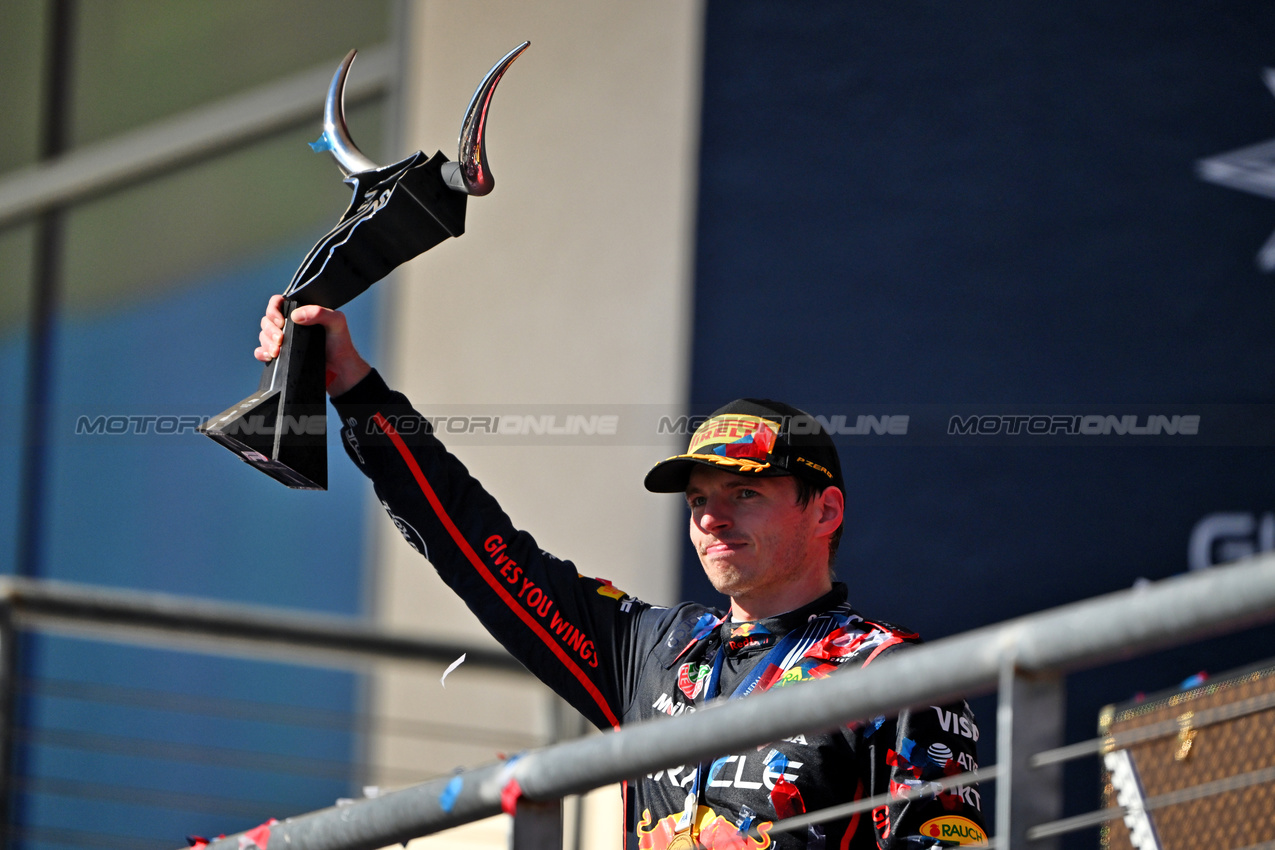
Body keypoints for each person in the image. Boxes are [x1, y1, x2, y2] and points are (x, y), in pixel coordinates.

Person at [255, 296, 987, 850]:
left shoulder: (891, 672)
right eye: (698, 499)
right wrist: (354, 389)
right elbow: (478, 549)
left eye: (745, 494)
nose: (711, 518)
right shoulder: (655, 652)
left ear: (824, 511)